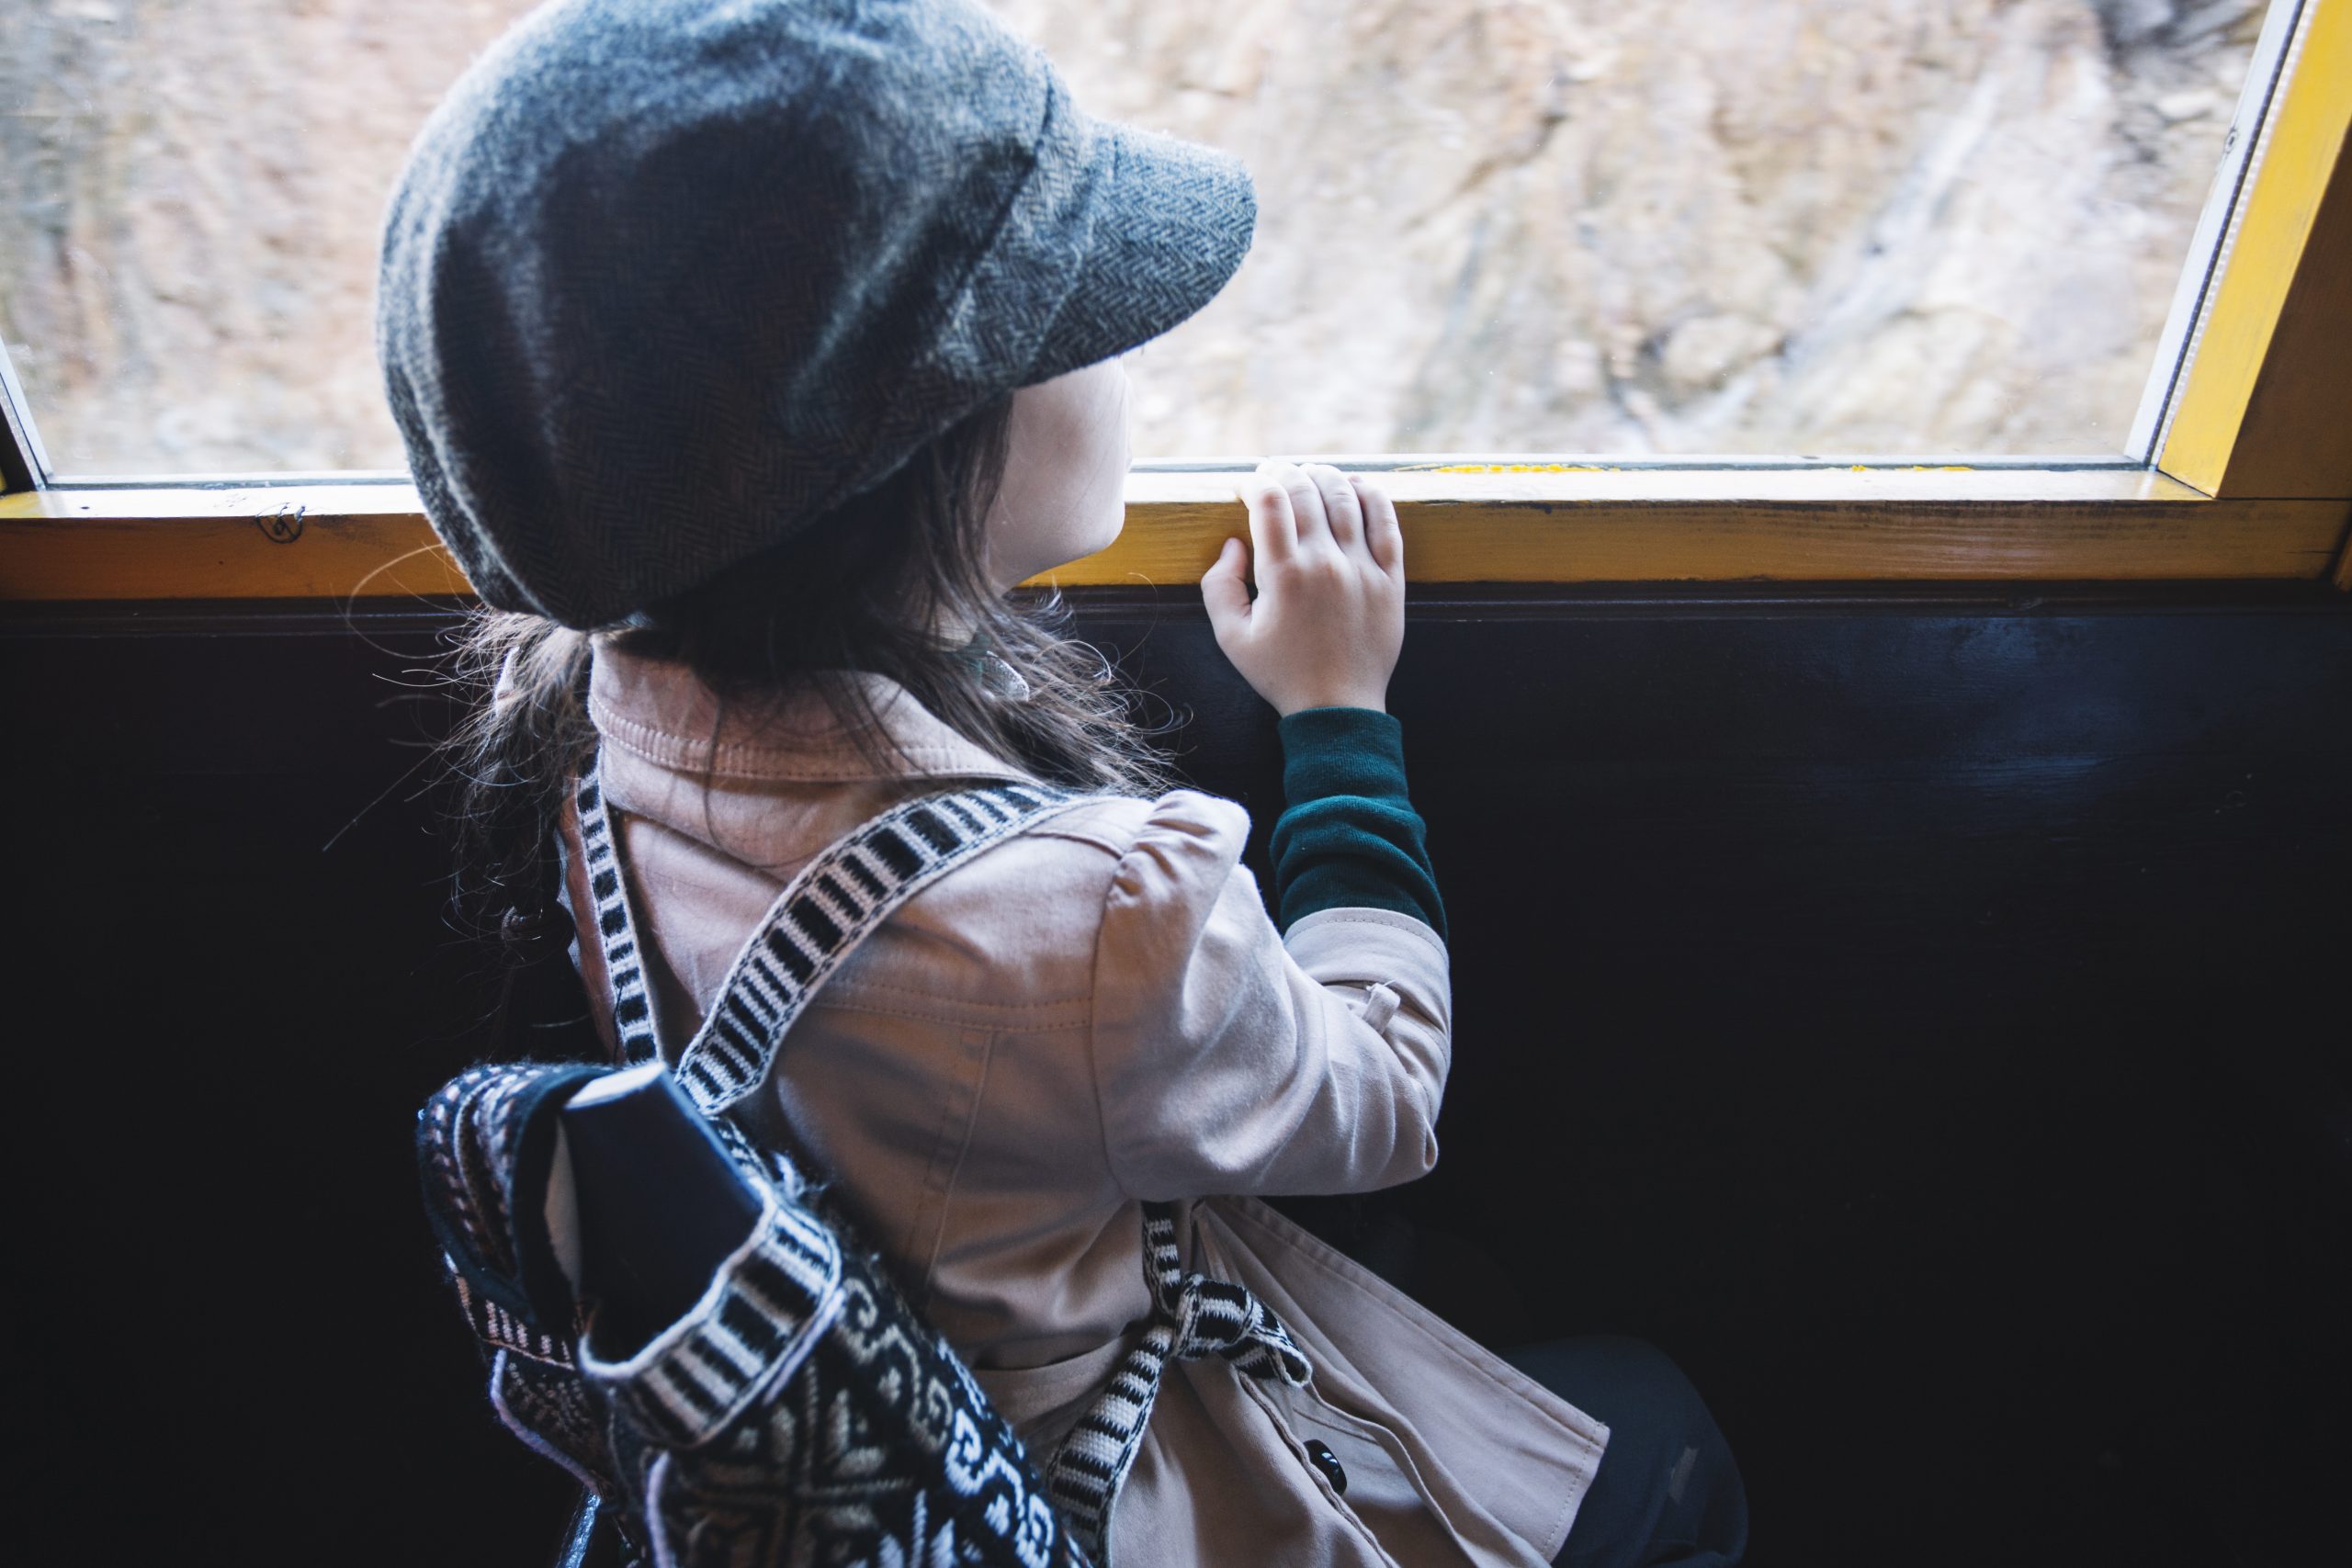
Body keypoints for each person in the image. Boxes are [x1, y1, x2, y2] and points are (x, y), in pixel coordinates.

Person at [377, 2, 1746, 1564]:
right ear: (913, 451)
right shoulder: (1093, 916)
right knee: (1656, 1430)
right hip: (1096, 1495)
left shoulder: (607, 724)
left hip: (877, 1439)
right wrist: (1338, 714)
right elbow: (1379, 1095)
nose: (1129, 343)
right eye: (1074, 315)